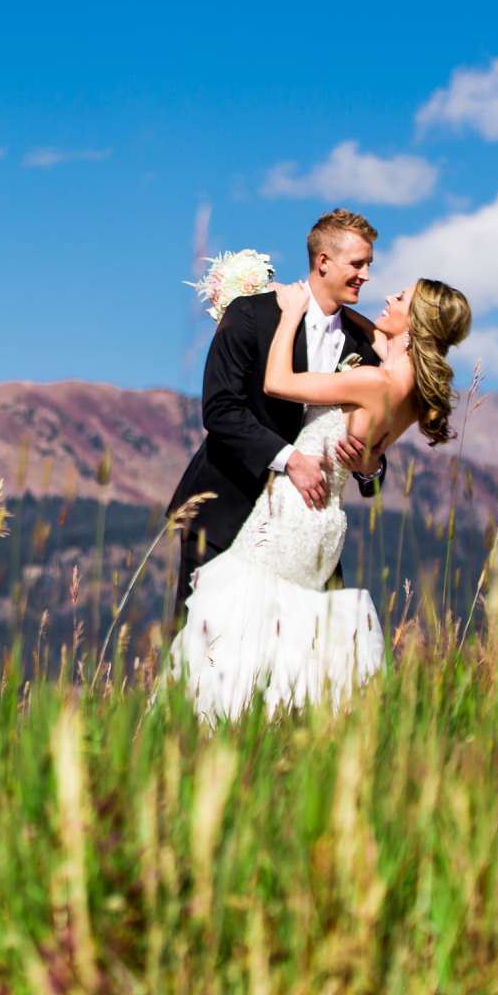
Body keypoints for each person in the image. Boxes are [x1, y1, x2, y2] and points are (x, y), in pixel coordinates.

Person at [166, 272, 473, 720]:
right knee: (290, 629)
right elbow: (368, 451)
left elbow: (276, 382)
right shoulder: (410, 390)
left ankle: (214, 720)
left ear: (417, 321)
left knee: (237, 618)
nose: (387, 294)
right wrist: (330, 305)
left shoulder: (372, 379)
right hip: (327, 521)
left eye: (401, 297)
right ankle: (283, 723)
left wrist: (291, 312)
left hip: (292, 508)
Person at [167, 208, 383, 623]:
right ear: (323, 262)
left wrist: (370, 469)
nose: (366, 275)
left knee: (313, 654)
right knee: (202, 646)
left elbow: (371, 436)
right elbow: (220, 408)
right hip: (228, 506)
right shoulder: (252, 315)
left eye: (369, 264)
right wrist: (291, 461)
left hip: (308, 523)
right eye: (358, 264)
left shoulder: (365, 343)